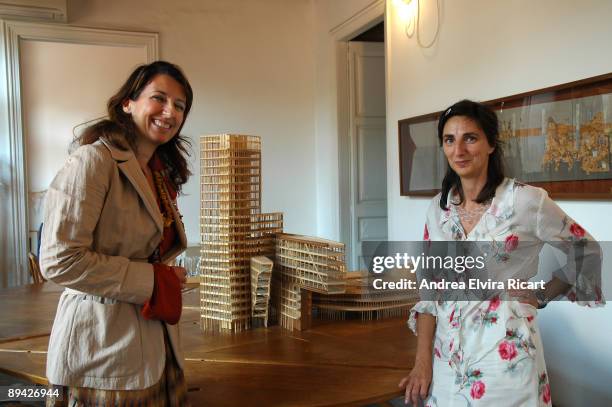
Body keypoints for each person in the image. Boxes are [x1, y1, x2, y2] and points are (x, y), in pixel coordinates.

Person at [398, 100, 603, 406]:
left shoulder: (525, 201)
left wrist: (543, 294)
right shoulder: (437, 209)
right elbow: (428, 288)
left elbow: (585, 249)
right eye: (449, 140)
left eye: (470, 138)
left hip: (507, 361)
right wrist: (422, 360)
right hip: (447, 361)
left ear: (491, 143)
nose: (459, 151)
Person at [40, 60, 193, 406]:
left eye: (180, 105)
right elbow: (60, 260)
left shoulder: (157, 172)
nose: (170, 112)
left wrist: (161, 275)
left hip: (157, 347)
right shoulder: (93, 161)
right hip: (101, 348)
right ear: (128, 103)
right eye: (159, 98)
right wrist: (154, 280)